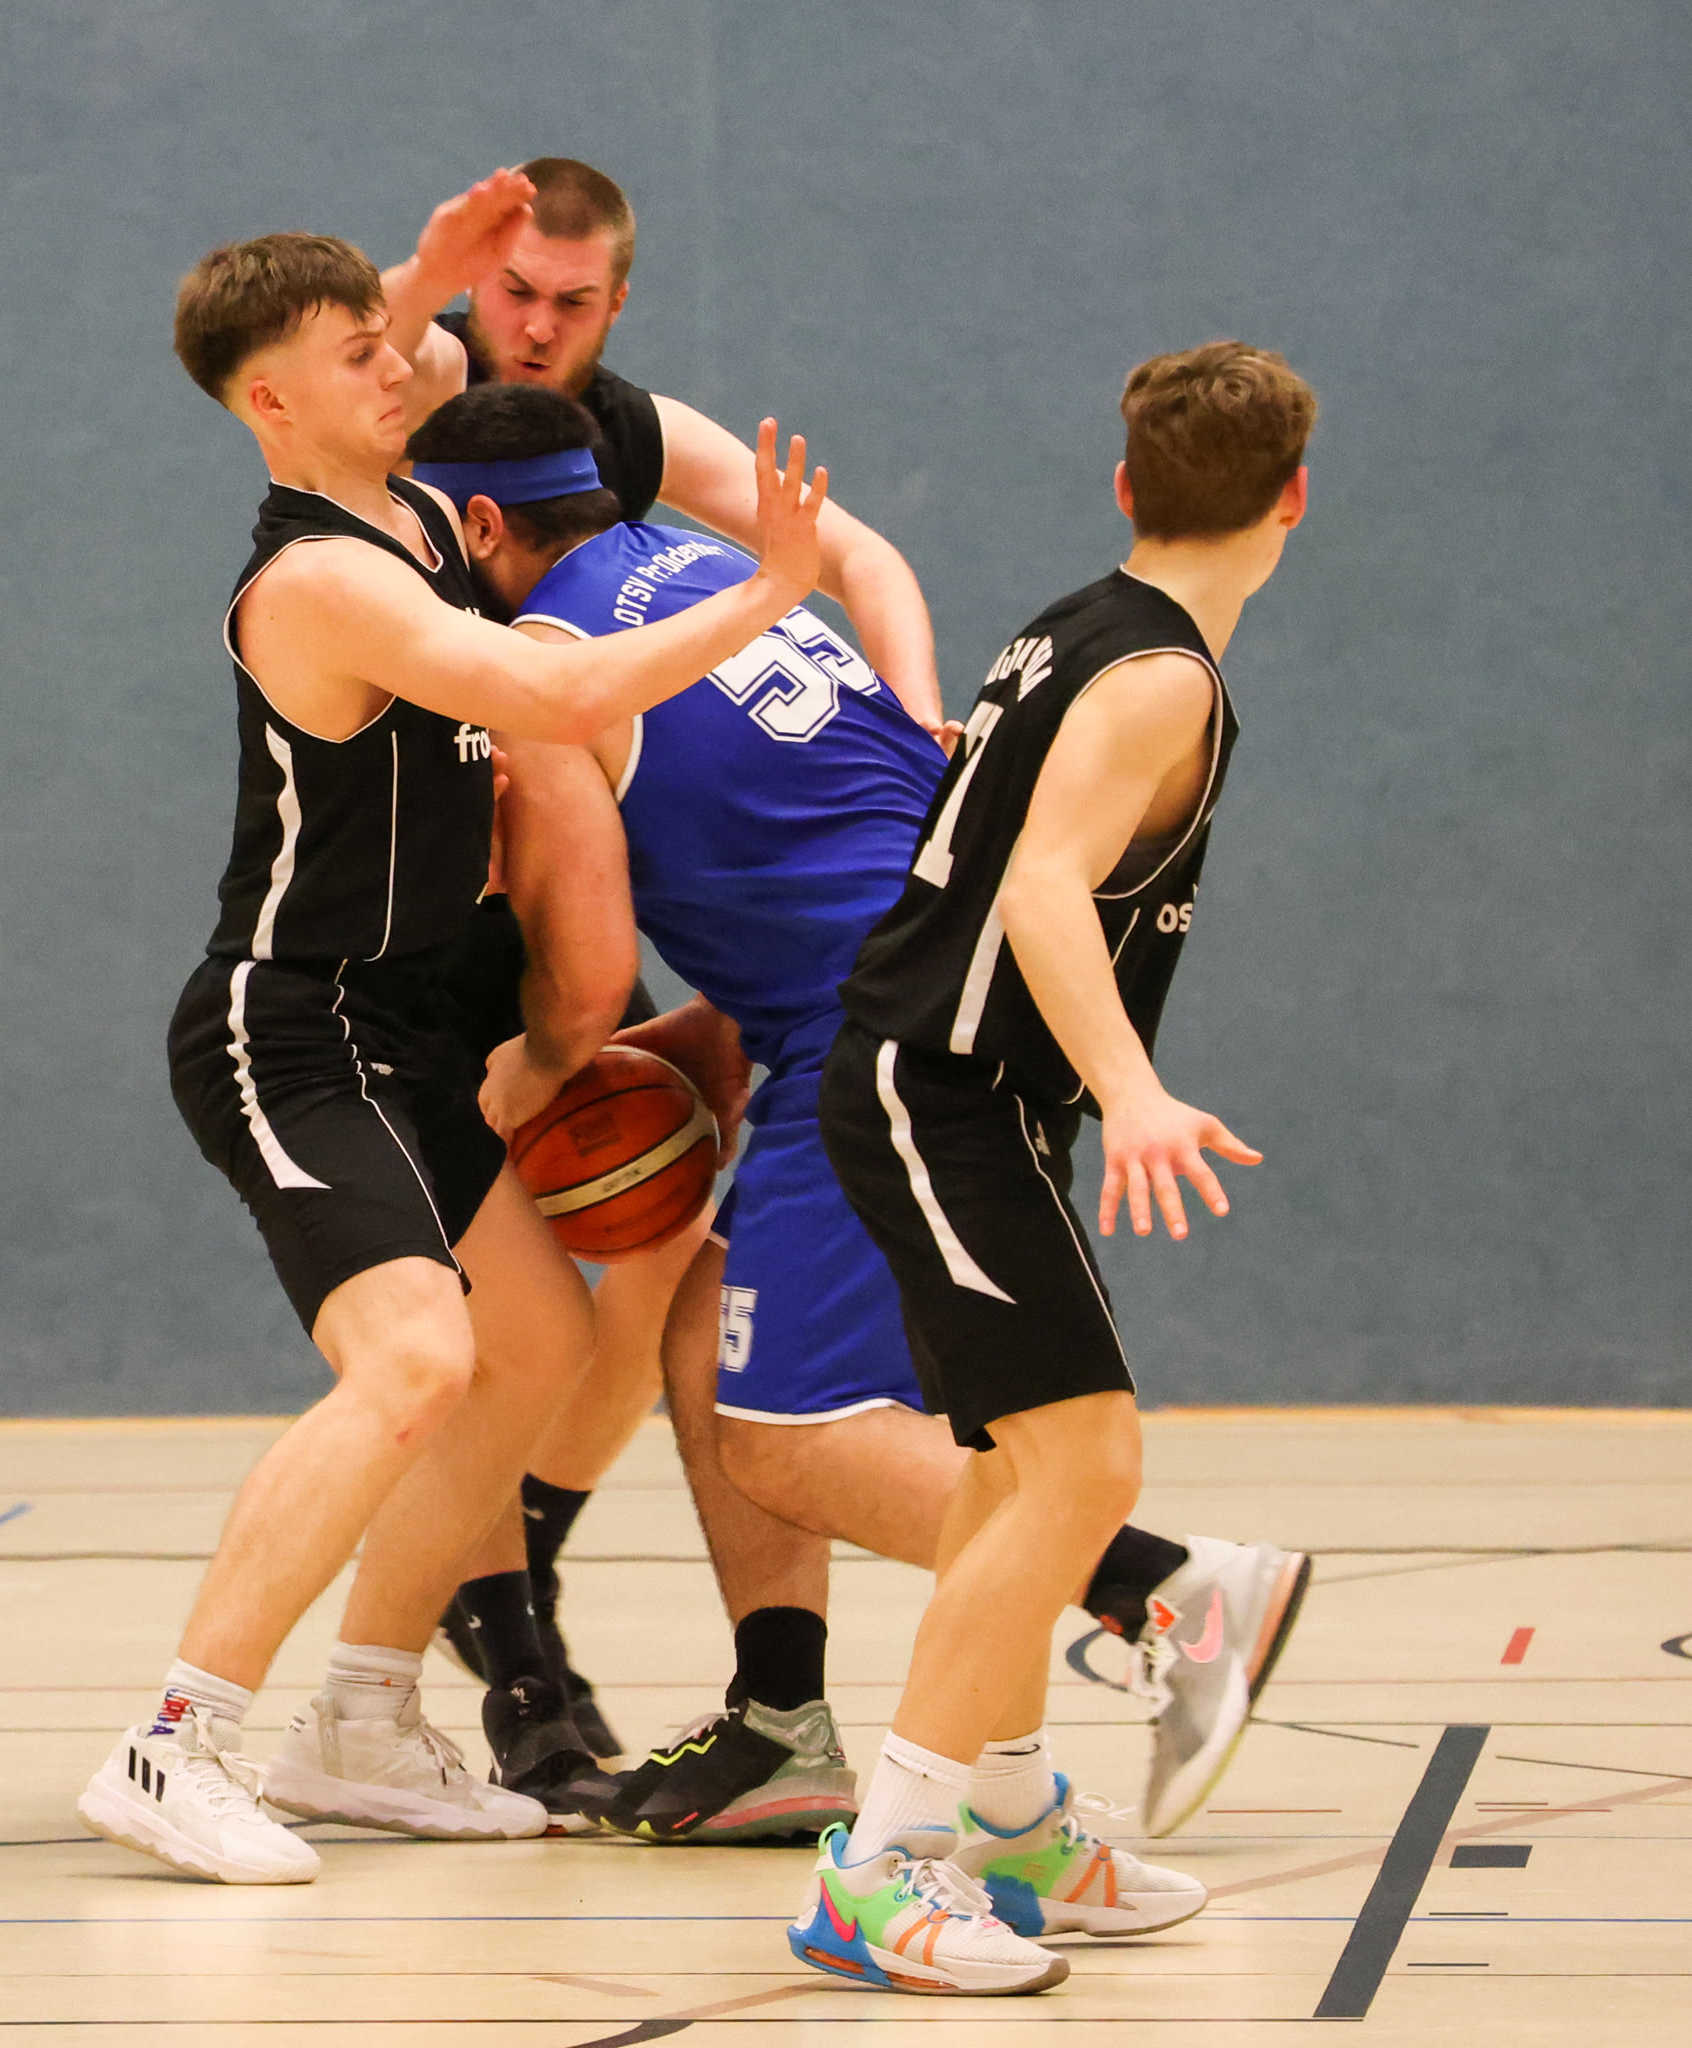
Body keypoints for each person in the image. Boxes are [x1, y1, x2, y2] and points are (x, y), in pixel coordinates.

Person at [401, 382, 1308, 1874]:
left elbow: (591, 968)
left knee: (789, 1444)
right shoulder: (700, 568)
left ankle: (1166, 1589)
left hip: (875, 1037)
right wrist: (712, 1039)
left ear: (481, 527)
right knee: (710, 1338)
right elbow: (806, 828)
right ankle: (786, 1723)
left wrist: (529, 1081)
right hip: (918, 988)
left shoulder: (546, 669)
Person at [73, 229, 830, 1884]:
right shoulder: (320, 580)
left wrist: (414, 273)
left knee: (536, 1341)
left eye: (392, 340)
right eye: (360, 354)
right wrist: (769, 593)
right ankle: (176, 1739)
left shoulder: (416, 516)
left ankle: (361, 1718)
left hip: (408, 1029)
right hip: (292, 1029)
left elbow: (395, 353)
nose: (407, 362)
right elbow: (543, 700)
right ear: (273, 405)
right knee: (415, 1358)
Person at [386, 157, 953, 1750]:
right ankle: (535, 1650)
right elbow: (314, 367)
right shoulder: (406, 391)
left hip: (615, 869)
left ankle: (536, 1556)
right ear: (470, 288)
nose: (538, 324)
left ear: (615, 303)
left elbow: (863, 556)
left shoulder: (621, 452)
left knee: (658, 1256)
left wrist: (914, 706)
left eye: (572, 301)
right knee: (506, 1301)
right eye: (512, 292)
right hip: (479, 889)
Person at [798, 340, 1316, 1992]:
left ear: (1125, 487)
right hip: (943, 1092)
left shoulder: (1079, 622)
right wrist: (1137, 1091)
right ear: (1295, 501)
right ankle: (877, 1872)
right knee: (1088, 1467)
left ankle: (1013, 1825)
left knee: (1017, 1474)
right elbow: (1036, 888)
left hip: (967, 1093)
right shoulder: (1161, 679)